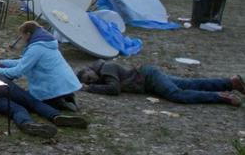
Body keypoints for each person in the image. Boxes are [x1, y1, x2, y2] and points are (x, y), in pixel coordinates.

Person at [0, 60, 89, 138]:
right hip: (1, 83)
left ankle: (26, 124)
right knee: (32, 102)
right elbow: (11, 71)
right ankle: (55, 116)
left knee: (17, 109)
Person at [0, 21, 82, 111]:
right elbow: (24, 62)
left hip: (53, 85)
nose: (22, 38)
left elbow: (18, 71)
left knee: (30, 100)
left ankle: (59, 102)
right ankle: (66, 96)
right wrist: (1, 62)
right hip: (65, 82)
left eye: (22, 35)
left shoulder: (36, 48)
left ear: (28, 34)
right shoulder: (46, 43)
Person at [77, 60, 243, 106]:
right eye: (88, 81)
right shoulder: (104, 73)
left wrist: (90, 88)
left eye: (89, 77)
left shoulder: (107, 68)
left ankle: (220, 96)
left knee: (177, 94)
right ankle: (230, 82)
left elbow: (114, 89)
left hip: (149, 77)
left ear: (90, 69)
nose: (91, 80)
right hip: (148, 81)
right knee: (188, 84)